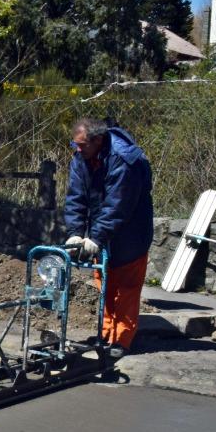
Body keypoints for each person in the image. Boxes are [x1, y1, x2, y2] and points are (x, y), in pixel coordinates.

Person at [63, 116, 154, 358]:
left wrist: (96, 236)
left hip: (130, 234)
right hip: (103, 234)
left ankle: (121, 340)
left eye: (82, 145)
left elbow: (118, 205)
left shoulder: (125, 160)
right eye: (76, 145)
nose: (77, 149)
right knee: (104, 283)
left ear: (98, 141)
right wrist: (75, 233)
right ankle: (106, 334)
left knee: (126, 288)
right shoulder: (81, 159)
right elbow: (75, 198)